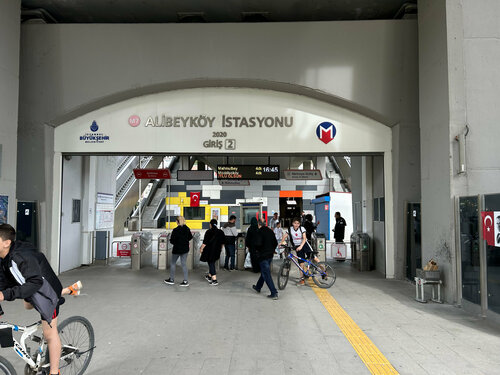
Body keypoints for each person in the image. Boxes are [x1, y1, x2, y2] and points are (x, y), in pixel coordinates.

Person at [0, 224, 81, 375]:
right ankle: (69, 290)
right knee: (28, 306)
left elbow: (36, 283)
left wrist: (4, 295)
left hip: (47, 291)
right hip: (30, 288)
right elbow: (2, 282)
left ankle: (55, 372)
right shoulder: (3, 257)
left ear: (6, 242)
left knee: (50, 333)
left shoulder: (22, 257)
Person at [281, 218, 319, 285]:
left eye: (298, 223)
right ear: (292, 223)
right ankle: (302, 279)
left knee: (315, 258)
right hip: (297, 246)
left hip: (304, 245)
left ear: (299, 224)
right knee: (301, 263)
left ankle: (324, 270)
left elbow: (304, 238)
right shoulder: (290, 229)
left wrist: (301, 246)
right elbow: (284, 236)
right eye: (295, 223)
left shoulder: (302, 228)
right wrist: (281, 242)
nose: (296, 225)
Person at [252, 220, 278, 300]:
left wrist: (257, 250)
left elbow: (258, 244)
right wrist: (272, 249)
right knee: (264, 271)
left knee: (266, 274)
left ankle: (274, 293)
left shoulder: (259, 232)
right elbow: (275, 242)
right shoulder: (270, 231)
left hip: (263, 256)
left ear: (259, 225)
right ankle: (258, 287)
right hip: (270, 255)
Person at [164, 216, 193, 287]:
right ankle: (185, 281)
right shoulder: (187, 229)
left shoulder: (175, 230)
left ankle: (171, 280)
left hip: (177, 249)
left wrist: (176, 242)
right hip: (185, 249)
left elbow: (172, 241)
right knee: (183, 264)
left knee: (173, 263)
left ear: (177, 221)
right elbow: (190, 237)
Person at [200, 219, 225, 286]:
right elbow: (222, 242)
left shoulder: (208, 231)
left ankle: (214, 280)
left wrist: (201, 249)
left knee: (211, 263)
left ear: (210, 224)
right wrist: (220, 249)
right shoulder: (220, 232)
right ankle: (209, 276)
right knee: (212, 262)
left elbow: (205, 243)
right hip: (217, 250)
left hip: (209, 250)